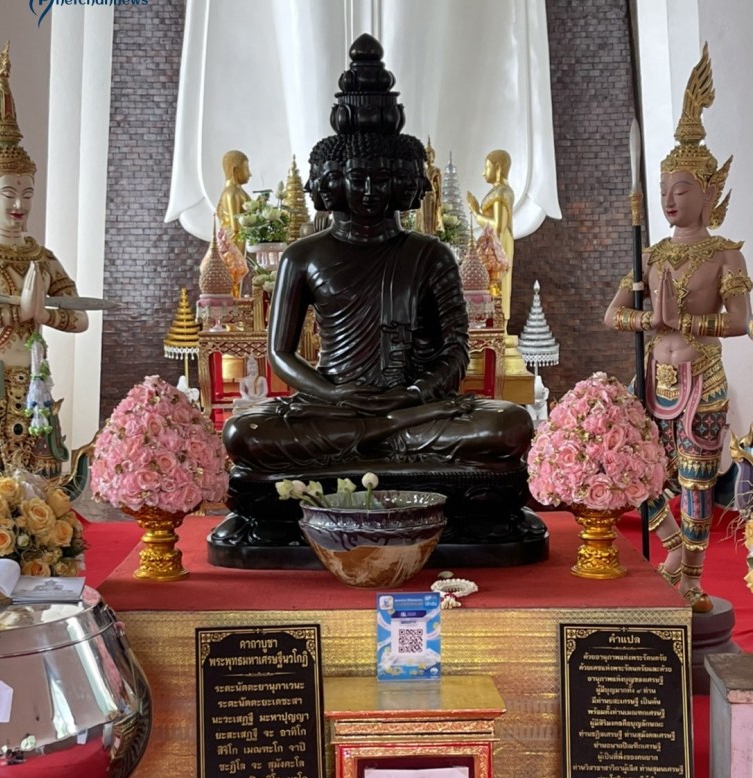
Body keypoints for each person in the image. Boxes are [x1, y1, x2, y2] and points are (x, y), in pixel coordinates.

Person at [223, 35, 531, 474]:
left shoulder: (430, 254)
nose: (370, 191)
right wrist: (332, 393)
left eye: (383, 179)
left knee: (509, 425)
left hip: (412, 406)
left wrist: (414, 394)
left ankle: (375, 437)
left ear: (404, 182)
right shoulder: (303, 255)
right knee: (245, 433)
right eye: (358, 179)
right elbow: (280, 354)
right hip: (334, 405)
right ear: (333, 182)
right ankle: (384, 439)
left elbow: (455, 351)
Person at [604, 45, 752, 612]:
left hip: (701, 377)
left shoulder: (725, 254)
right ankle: (670, 547)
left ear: (709, 193)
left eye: (682, 188)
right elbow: (613, 315)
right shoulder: (652, 254)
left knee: (696, 481)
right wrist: (650, 319)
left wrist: (684, 320)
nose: (669, 199)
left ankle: (691, 576)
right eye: (664, 188)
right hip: (654, 376)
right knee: (634, 469)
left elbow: (739, 321)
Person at [0, 42, 88, 478]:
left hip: (33, 381)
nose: (19, 205)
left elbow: (79, 317)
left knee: (41, 475)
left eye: (27, 194)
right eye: (9, 193)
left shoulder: (42, 258)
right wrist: (15, 311)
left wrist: (43, 314)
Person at [467, 150, 515, 325]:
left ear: (498, 168)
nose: (483, 173)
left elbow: (498, 225)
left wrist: (475, 212)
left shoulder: (502, 192)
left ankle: (499, 325)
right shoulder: (497, 191)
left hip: (499, 242)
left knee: (497, 283)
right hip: (492, 242)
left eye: (487, 167)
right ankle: (489, 322)